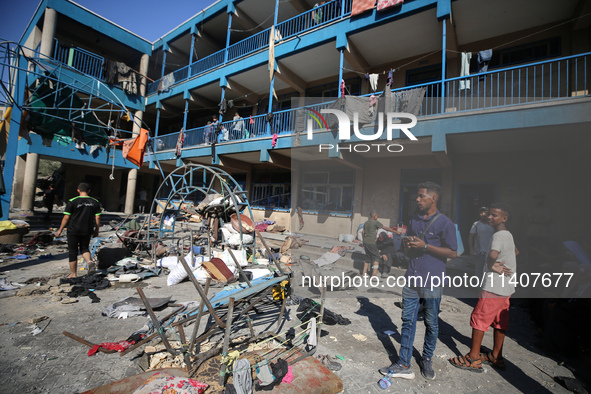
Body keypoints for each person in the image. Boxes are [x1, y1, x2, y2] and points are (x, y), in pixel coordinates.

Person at [379, 181, 457, 381]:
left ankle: (427, 359)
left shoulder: (445, 222)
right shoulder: (414, 219)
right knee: (407, 320)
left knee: (431, 322)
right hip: (412, 278)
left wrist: (425, 247)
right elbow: (409, 248)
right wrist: (407, 245)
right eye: (417, 196)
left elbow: (453, 253)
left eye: (422, 196)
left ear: (434, 198)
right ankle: (404, 363)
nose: (417, 199)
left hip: (432, 280)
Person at [449, 203, 518, 372]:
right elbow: (516, 252)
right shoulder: (508, 234)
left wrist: (493, 267)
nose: (489, 217)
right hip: (506, 288)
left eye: (494, 215)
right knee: (500, 322)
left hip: (494, 287)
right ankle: (496, 356)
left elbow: (493, 256)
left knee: (479, 319)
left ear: (504, 218)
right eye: (489, 214)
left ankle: (473, 358)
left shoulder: (498, 236)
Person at [56, 183, 101, 278]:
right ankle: (89, 262)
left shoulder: (72, 201)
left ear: (78, 190)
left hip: (73, 229)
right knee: (84, 248)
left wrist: (60, 229)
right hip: (87, 229)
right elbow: (98, 217)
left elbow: (66, 217)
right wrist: (97, 229)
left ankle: (73, 273)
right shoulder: (95, 202)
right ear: (89, 191)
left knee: (73, 251)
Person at [362, 210, 397, 277]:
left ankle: (364, 273)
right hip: (372, 242)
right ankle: (374, 275)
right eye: (377, 216)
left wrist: (364, 241)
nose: (377, 218)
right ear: (375, 216)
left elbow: (363, 232)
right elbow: (385, 228)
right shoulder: (375, 222)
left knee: (367, 257)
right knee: (376, 257)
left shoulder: (366, 222)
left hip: (366, 242)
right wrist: (396, 232)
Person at [468, 207, 494, 277]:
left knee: (489, 271)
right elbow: (471, 237)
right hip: (480, 253)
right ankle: (478, 287)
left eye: (485, 212)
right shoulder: (476, 224)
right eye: (481, 212)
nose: (483, 214)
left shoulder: (493, 224)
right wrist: (471, 249)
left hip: (491, 253)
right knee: (479, 271)